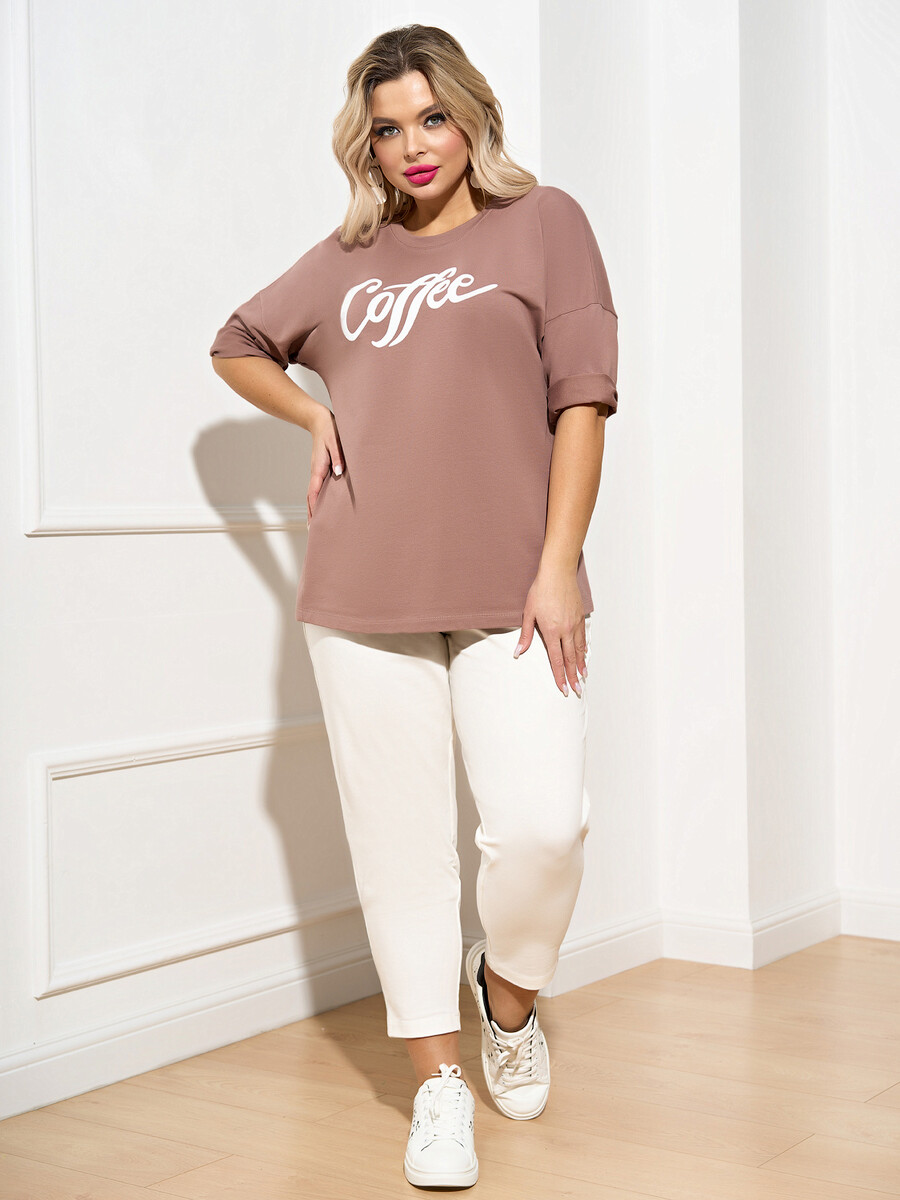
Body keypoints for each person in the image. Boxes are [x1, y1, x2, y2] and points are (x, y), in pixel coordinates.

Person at [209, 22, 618, 1191]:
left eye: (432, 117)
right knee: (401, 851)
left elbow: (582, 402)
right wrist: (314, 414)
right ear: (368, 146)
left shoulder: (545, 223)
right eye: (388, 130)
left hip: (515, 584)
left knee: (543, 826)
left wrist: (558, 564)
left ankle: (507, 993)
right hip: (362, 586)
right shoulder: (350, 255)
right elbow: (238, 343)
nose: (414, 146)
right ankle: (438, 1087)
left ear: (472, 115)